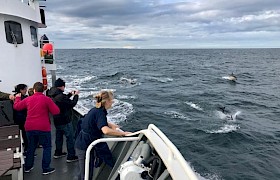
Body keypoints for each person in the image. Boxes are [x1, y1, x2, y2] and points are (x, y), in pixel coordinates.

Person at [75, 91, 131, 180]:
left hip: (83, 143)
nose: (112, 102)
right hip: (84, 146)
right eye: (111, 100)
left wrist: (110, 124)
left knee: (84, 172)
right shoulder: (100, 112)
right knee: (86, 175)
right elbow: (105, 131)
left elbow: (95, 120)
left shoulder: (95, 110)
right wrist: (123, 133)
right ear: (107, 101)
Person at [13, 82, 60, 175]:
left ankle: (28, 167)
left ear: (34, 90)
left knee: (31, 147)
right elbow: (56, 111)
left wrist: (18, 98)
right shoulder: (47, 99)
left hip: (30, 127)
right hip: (43, 127)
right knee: (47, 147)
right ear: (43, 90)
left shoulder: (28, 99)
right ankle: (46, 168)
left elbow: (17, 107)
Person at [48, 78, 79, 162]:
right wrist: (76, 96)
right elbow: (71, 104)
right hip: (64, 120)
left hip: (56, 119)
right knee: (70, 138)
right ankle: (71, 156)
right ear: (61, 86)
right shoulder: (60, 96)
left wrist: (69, 94)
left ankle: (58, 152)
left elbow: (62, 100)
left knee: (59, 136)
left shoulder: (51, 94)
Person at [13, 84, 28, 153]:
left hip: (16, 118)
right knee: (25, 135)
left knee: (18, 134)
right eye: (25, 89)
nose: (26, 90)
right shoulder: (25, 98)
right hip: (23, 118)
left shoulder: (14, 97)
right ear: (21, 90)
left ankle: (19, 149)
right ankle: (27, 149)